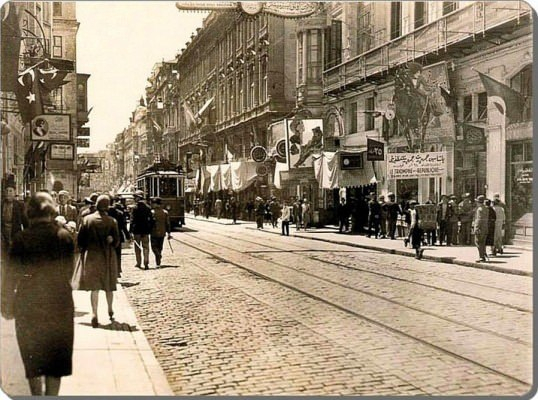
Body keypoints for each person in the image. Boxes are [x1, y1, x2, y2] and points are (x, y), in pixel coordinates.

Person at [3, 192, 74, 395]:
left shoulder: (21, 239)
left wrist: (6, 304)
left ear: (29, 213)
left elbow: (10, 277)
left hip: (29, 302)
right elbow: (69, 272)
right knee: (56, 360)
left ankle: (36, 395)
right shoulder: (64, 237)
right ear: (51, 211)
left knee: (32, 357)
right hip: (59, 302)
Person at [76, 195, 120, 328]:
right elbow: (117, 242)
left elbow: (80, 240)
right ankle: (110, 310)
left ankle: (94, 314)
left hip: (92, 257)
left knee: (94, 288)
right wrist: (111, 241)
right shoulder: (112, 221)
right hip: (107, 256)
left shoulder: (87, 219)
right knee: (108, 286)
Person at [130, 190, 154, 270]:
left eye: (135, 197)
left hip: (137, 230)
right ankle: (146, 261)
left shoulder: (135, 208)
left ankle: (138, 262)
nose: (134, 199)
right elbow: (151, 219)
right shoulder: (148, 207)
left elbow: (132, 220)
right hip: (145, 231)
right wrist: (149, 229)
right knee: (146, 246)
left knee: (137, 247)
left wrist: (130, 231)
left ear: (137, 198)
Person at [108, 196, 130, 277]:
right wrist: (127, 235)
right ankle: (117, 270)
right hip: (117, 236)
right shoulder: (119, 213)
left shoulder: (104, 213)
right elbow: (123, 226)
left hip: (105, 236)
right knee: (117, 254)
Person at [150, 197, 172, 267]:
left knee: (154, 247)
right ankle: (158, 263)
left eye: (153, 203)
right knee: (160, 247)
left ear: (156, 204)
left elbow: (149, 223)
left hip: (154, 232)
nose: (152, 205)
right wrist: (169, 233)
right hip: (162, 232)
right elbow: (168, 223)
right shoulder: (165, 212)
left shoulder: (152, 212)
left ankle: (158, 256)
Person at [473, 195, 489, 262]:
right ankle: (483, 254)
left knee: (478, 242)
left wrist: (476, 227)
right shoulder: (486, 208)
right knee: (483, 242)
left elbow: (479, 219)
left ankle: (481, 256)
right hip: (485, 227)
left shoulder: (479, 209)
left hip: (480, 228)